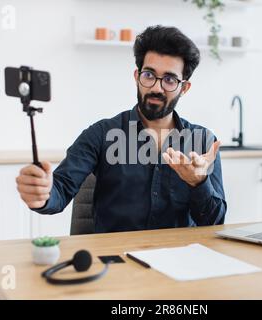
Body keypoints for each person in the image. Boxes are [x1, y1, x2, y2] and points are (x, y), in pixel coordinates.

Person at [15, 25, 226, 233]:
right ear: (137, 77)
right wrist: (42, 193)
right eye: (149, 75)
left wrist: (198, 182)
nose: (156, 87)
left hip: (179, 259)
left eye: (169, 80)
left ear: (184, 87)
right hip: (116, 261)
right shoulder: (100, 134)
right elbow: (59, 191)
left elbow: (215, 221)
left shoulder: (203, 142)